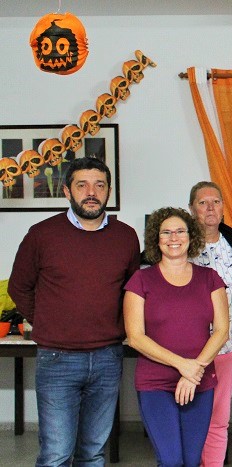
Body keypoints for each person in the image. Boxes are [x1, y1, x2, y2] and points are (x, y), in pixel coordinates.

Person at [9, 156, 140, 467]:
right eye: (82, 185)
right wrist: (46, 322)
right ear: (67, 191)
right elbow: (19, 287)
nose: (91, 192)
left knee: (93, 453)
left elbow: (133, 292)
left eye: (99, 185)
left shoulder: (126, 237)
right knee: (56, 454)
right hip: (57, 358)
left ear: (109, 191)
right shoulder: (42, 234)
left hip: (108, 357)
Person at [124, 207, 230, 467]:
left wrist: (193, 373)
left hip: (199, 382)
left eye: (180, 231)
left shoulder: (210, 278)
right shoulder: (141, 280)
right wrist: (183, 365)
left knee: (192, 460)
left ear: (191, 236)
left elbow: (222, 330)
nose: (174, 237)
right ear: (156, 239)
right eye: (166, 232)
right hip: (155, 384)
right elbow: (135, 337)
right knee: (171, 460)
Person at [187, 181, 232, 466]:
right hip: (187, 348)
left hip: (230, 344)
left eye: (216, 202)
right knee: (189, 411)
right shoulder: (181, 243)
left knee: (218, 414)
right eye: (203, 203)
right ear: (192, 209)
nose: (210, 208)